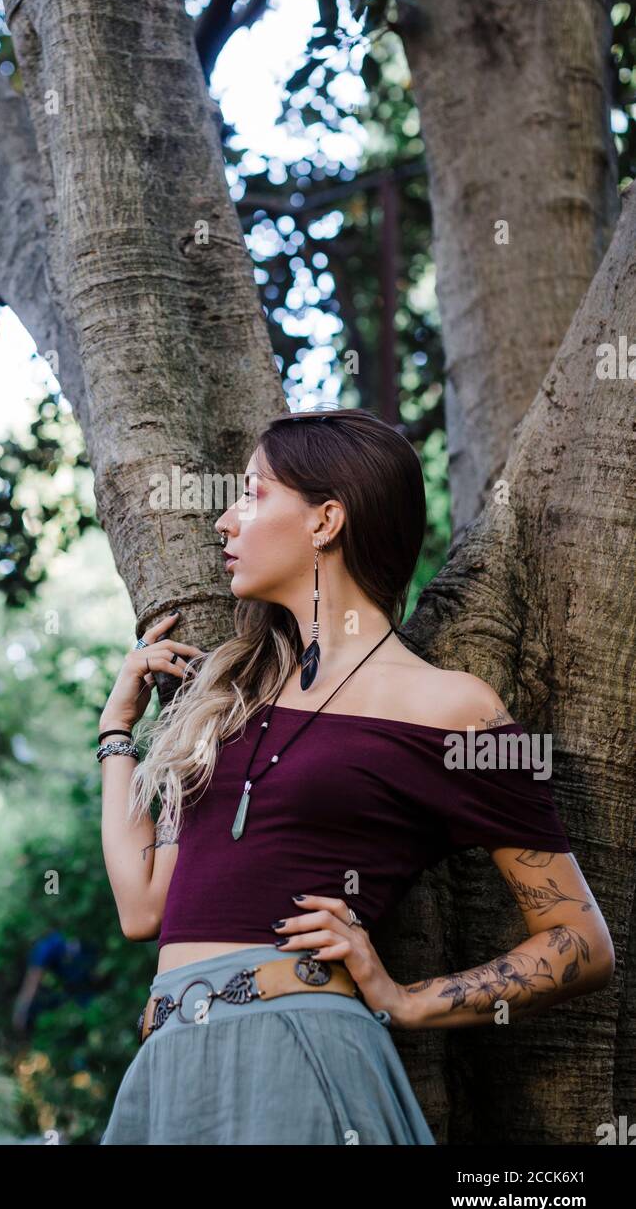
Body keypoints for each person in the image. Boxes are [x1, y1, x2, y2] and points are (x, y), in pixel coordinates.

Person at [97, 407, 615, 1146]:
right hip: (171, 1066)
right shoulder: (227, 701)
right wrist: (117, 732)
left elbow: (581, 942)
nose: (224, 522)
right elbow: (142, 906)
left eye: (253, 493)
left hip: (305, 1063)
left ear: (325, 520)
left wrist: (407, 1000)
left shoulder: (453, 709)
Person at [12, 931, 97, 1037]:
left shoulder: (42, 948)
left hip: (82, 986)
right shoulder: (60, 937)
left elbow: (32, 982)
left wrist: (21, 1011)